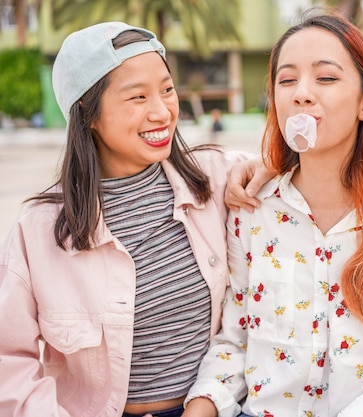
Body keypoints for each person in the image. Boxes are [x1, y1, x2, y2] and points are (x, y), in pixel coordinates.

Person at [182, 13, 363, 417]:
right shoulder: (251, 210)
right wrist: (201, 407)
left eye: (326, 78)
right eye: (287, 80)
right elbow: (234, 343)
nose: (302, 94)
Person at [0, 22, 250, 417]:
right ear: (88, 114)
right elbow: (8, 362)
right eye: (137, 97)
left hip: (217, 409)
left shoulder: (215, 177)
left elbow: (293, 165)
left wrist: (255, 172)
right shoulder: (38, 230)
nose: (161, 111)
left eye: (167, 90)